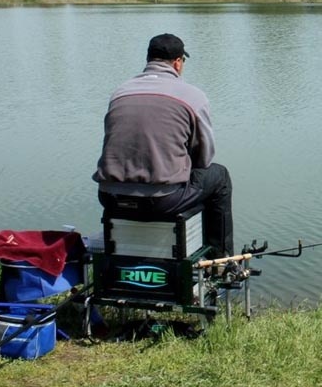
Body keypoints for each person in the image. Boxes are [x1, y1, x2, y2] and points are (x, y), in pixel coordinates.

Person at [93, 33, 234, 257]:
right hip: (161, 201)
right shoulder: (193, 96)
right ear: (178, 62)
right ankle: (221, 260)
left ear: (149, 59)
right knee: (219, 176)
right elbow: (204, 159)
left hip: (110, 198)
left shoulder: (120, 92)